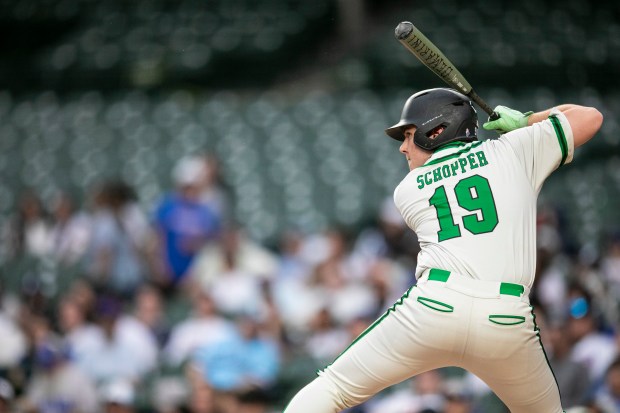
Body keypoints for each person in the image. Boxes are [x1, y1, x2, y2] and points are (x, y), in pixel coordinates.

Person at [283, 87, 603, 413]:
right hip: (507, 317)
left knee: (333, 387)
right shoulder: (513, 151)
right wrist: (527, 122)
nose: (403, 148)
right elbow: (590, 118)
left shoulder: (408, 190)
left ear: (435, 131)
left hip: (436, 305)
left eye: (409, 135)